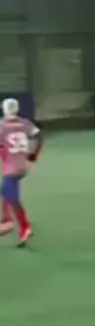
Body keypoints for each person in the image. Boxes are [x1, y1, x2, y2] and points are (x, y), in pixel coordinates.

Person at [0, 97, 42, 246]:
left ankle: (24, 227)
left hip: (11, 167)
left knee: (12, 196)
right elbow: (38, 136)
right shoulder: (25, 123)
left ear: (4, 110)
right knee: (5, 190)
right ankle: (6, 220)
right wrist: (32, 157)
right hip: (23, 165)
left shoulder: (2, 125)